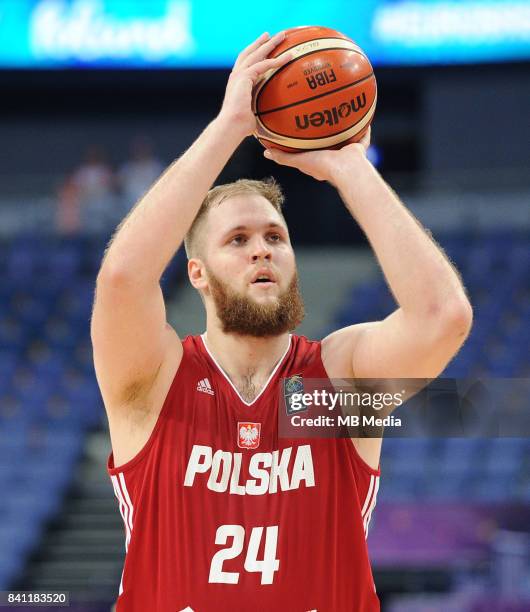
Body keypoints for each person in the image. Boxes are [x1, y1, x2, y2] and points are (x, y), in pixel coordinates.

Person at [91, 31, 472, 612]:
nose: (262, 251)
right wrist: (228, 128)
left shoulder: (332, 387)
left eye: (275, 237)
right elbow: (122, 279)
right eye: (237, 240)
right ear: (195, 272)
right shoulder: (153, 380)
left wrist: (352, 169)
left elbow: (442, 317)